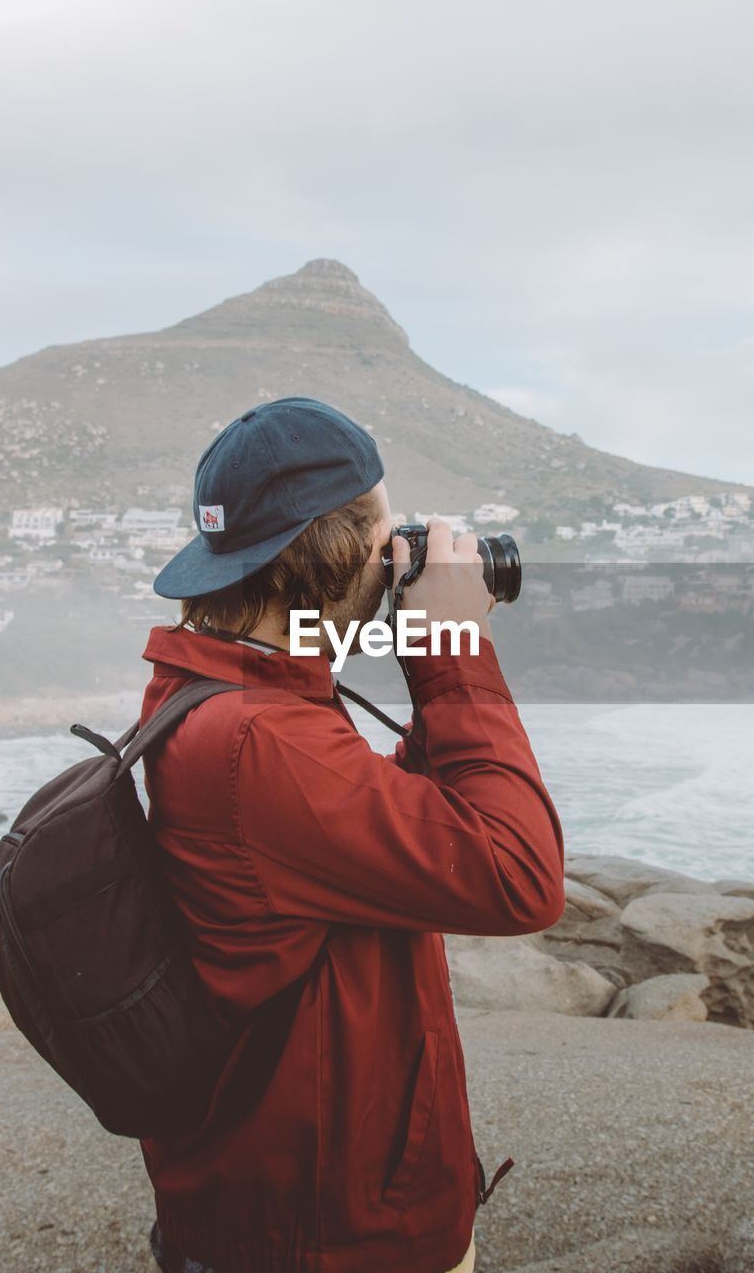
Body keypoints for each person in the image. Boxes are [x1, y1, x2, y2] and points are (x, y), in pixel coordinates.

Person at [138, 396, 565, 1273]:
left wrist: (419, 650)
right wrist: (451, 645)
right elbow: (520, 875)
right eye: (383, 539)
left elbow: (376, 830)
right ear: (336, 554)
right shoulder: (261, 740)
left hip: (291, 1212)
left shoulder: (226, 693)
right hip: (330, 1241)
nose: (397, 559)